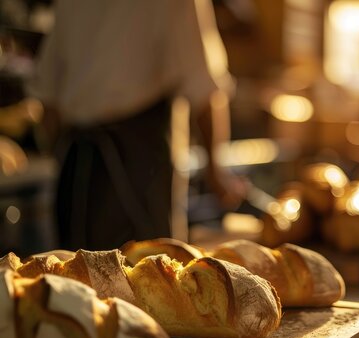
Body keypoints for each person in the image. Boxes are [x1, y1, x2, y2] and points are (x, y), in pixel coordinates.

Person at [28, 0, 245, 251]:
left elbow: (48, 105)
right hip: (136, 169)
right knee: (148, 276)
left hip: (75, 168)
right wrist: (216, 171)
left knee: (76, 281)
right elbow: (203, 89)